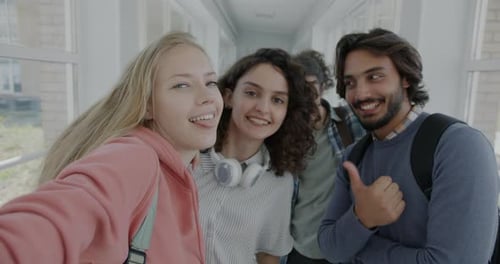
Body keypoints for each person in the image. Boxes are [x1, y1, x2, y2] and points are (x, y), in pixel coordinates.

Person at [0, 32, 223, 263]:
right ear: (147, 105)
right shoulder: (135, 158)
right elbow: (45, 227)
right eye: (182, 85)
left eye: (210, 82)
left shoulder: (180, 173)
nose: (207, 96)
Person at [318, 28, 499, 263]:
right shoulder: (353, 157)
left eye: (375, 76)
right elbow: (329, 248)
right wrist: (362, 217)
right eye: (350, 82)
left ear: (405, 78)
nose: (360, 93)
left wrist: (356, 247)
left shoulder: (459, 146)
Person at [193, 48, 317, 264]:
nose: (263, 108)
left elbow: (269, 255)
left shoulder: (280, 183)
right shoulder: (188, 157)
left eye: (278, 100)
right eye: (252, 93)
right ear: (229, 97)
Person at [282, 50, 365, 264]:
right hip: (299, 247)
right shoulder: (283, 134)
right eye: (297, 88)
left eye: (310, 87)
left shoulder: (350, 121)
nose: (304, 95)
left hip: (343, 245)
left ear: (323, 85)